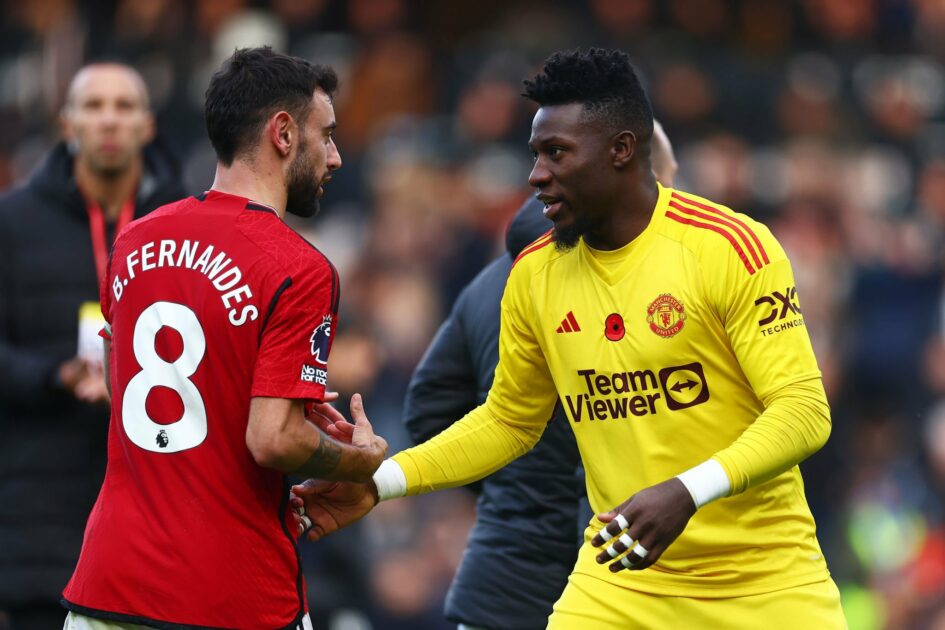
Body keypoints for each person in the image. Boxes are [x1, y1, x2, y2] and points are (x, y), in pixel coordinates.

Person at [296, 48, 846, 629]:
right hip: (621, 580)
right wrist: (379, 482)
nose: (536, 174)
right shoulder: (536, 273)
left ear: (621, 150)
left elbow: (804, 411)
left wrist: (687, 491)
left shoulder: (730, 247)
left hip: (764, 584)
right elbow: (508, 422)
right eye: (535, 154)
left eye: (556, 153)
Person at [61, 47, 387, 630]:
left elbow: (123, 388)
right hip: (229, 595)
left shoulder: (135, 239)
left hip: (107, 587)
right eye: (327, 135)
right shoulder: (299, 267)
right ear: (283, 134)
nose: (336, 157)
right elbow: (272, 440)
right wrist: (355, 463)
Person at [400, 121, 678, 630]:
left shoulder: (488, 284)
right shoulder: (652, 287)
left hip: (499, 581)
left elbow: (427, 413)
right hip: (618, 583)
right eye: (672, 180)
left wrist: (509, 488)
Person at [0, 62, 184, 630]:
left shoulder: (187, 224)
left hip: (158, 499)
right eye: (94, 105)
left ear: (148, 126)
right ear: (67, 123)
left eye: (124, 106)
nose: (109, 119)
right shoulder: (12, 222)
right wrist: (57, 377)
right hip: (42, 509)